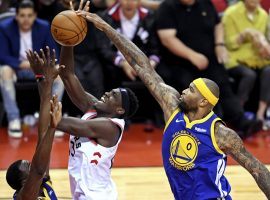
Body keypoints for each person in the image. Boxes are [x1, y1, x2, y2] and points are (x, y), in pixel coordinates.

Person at [78, 9, 270, 199]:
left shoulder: (221, 134)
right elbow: (141, 64)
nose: (185, 90)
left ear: (204, 102)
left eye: (192, 90)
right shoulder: (172, 107)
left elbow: (258, 170)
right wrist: (107, 28)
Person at [154, 0, 262, 138]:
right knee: (193, 89)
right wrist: (192, 56)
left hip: (209, 59)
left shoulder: (205, 3)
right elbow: (167, 39)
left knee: (222, 83)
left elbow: (218, 25)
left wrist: (219, 44)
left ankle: (241, 121)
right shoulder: (167, 7)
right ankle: (208, 128)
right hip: (179, 62)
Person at [0, 0, 64, 138]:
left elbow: (53, 54)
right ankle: (14, 119)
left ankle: (51, 119)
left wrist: (40, 64)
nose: (26, 19)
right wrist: (24, 64)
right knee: (4, 71)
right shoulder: (4, 28)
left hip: (39, 69)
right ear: (16, 16)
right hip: (15, 68)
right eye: (22, 15)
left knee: (59, 73)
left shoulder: (44, 27)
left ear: (35, 15)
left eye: (29, 15)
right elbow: (2, 56)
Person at [6, 48, 62, 199]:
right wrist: (53, 127)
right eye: (28, 167)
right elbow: (38, 168)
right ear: (24, 181)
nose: (33, 163)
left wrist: (44, 80)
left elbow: (42, 134)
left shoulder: (42, 182)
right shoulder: (24, 197)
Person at [223, 0, 270, 120]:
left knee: (268, 71)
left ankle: (261, 114)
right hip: (236, 58)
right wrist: (243, 35)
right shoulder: (231, 13)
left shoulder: (263, 15)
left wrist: (264, 46)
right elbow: (228, 44)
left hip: (258, 58)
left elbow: (265, 40)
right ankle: (238, 112)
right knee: (249, 75)